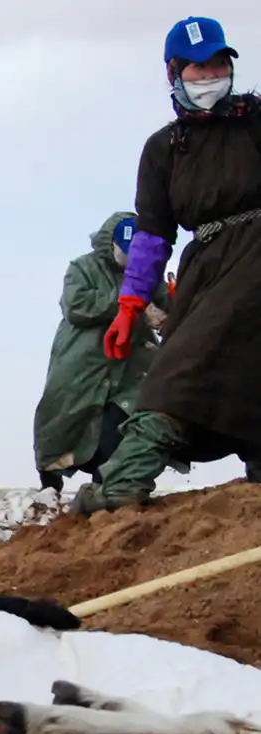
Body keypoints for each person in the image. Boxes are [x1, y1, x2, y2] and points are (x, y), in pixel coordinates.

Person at [73, 17, 261, 514]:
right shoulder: (164, 148)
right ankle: (124, 484)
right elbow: (154, 234)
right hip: (206, 266)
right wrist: (130, 304)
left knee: (184, 373)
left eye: (219, 64)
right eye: (199, 68)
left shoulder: (256, 122)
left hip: (258, 251)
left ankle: (121, 483)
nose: (211, 75)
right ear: (175, 73)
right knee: (185, 367)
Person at [33, 213, 170, 493]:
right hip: (84, 361)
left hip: (130, 366)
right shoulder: (83, 268)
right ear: (111, 244)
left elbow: (169, 302)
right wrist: (131, 307)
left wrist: (176, 304)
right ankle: (50, 485)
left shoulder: (148, 274)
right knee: (63, 420)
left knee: (122, 427)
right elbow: (76, 304)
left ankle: (108, 488)